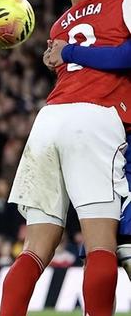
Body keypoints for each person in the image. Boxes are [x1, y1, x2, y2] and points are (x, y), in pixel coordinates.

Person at [0, 0, 131, 316]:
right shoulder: (126, 2)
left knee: (34, 249)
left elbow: (74, 61)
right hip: (95, 119)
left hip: (49, 120)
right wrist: (69, 54)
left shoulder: (63, 23)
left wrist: (64, 54)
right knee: (101, 245)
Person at [45, 36, 131, 279]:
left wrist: (68, 53)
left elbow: (124, 56)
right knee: (98, 250)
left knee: (115, 246)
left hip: (117, 140)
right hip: (108, 139)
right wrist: (62, 62)